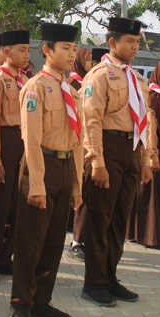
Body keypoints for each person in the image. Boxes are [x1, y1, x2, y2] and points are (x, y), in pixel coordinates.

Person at [9, 22, 83, 317]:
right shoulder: (35, 87)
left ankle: (42, 299)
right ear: (47, 50)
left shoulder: (72, 91)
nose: (71, 54)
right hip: (41, 166)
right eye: (65, 48)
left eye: (74, 49)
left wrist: (78, 184)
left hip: (65, 167)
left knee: (54, 241)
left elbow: (77, 140)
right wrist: (36, 184)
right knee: (31, 240)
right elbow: (32, 140)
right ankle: (21, 305)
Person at [79, 17, 155, 307]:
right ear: (112, 43)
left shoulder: (137, 78)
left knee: (121, 217)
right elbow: (91, 121)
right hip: (107, 149)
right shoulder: (98, 76)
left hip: (132, 150)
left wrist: (146, 159)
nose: (135, 47)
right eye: (130, 42)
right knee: (100, 217)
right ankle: (94, 282)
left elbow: (145, 122)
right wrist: (96, 161)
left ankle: (110, 277)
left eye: (137, 42)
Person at [0, 30, 30, 281]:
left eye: (28, 50)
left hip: (23, 143)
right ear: (6, 52)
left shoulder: (26, 80)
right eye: (21, 50)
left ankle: (5, 256)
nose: (26, 55)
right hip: (4, 141)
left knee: (16, 205)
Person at [128, 60, 160, 249]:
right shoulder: (154, 97)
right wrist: (152, 154)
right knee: (150, 193)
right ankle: (147, 233)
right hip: (155, 151)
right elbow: (150, 127)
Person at [68, 46, 106, 252]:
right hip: (85, 145)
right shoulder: (78, 83)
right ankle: (78, 239)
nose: (93, 64)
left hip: (97, 144)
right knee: (86, 192)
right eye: (90, 60)